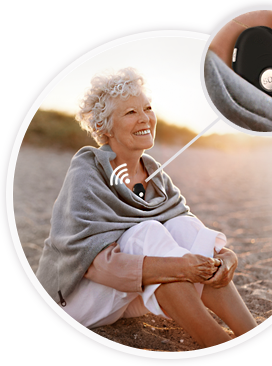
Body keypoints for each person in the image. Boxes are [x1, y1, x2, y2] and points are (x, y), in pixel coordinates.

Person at [36, 68, 257, 348]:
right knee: (149, 232)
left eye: (147, 108)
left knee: (181, 225)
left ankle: (254, 339)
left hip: (126, 297)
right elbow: (92, 264)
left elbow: (190, 234)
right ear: (105, 127)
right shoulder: (88, 170)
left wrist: (226, 259)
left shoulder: (155, 175)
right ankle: (217, 345)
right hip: (72, 297)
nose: (145, 118)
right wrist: (179, 267)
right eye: (130, 113)